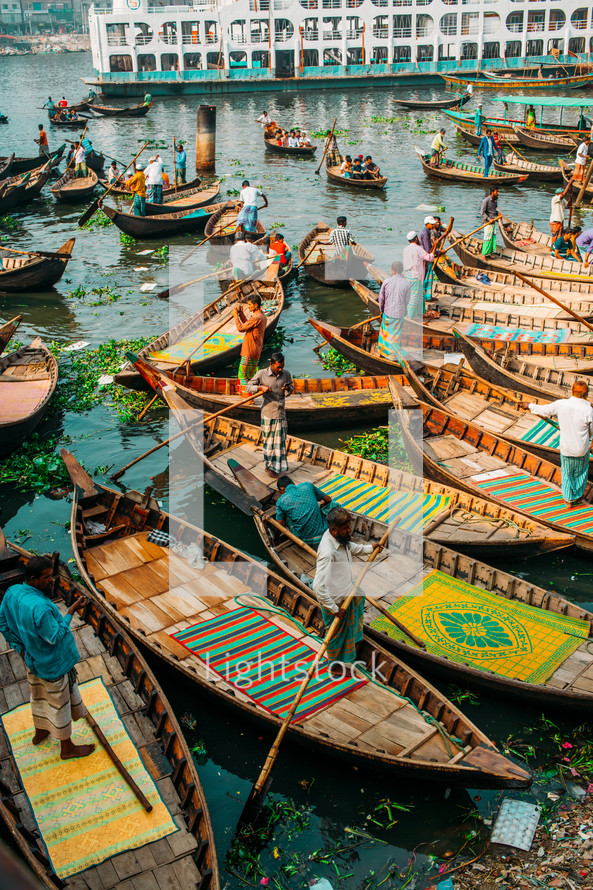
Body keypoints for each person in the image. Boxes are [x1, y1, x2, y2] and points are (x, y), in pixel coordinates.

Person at [0, 556, 94, 760]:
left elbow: (3, 623)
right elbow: (55, 636)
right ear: (33, 578)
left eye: (51, 576)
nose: (52, 580)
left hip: (33, 660)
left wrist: (21, 649)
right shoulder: (41, 608)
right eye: (47, 577)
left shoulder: (12, 591)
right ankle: (67, 748)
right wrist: (71, 611)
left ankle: (41, 730)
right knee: (59, 704)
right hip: (54, 665)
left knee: (38, 696)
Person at [312, 507, 382, 665]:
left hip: (347, 589)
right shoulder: (328, 552)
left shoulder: (339, 538)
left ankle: (354, 642)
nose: (349, 530)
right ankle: (336, 665)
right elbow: (318, 587)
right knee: (336, 636)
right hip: (336, 600)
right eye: (346, 528)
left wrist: (371, 548)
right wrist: (335, 609)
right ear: (333, 529)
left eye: (349, 526)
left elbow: (352, 547)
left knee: (359, 597)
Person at [519, 382, 593, 506]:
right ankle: (578, 497)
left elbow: (544, 409)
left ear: (572, 391)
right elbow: (591, 431)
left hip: (566, 449)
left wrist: (529, 405)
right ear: (585, 394)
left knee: (567, 473)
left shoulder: (561, 404)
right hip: (582, 449)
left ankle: (569, 499)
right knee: (581, 473)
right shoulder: (588, 410)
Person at [247, 353, 294, 478]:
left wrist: (288, 388)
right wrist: (259, 387)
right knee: (269, 441)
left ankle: (278, 466)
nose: (280, 369)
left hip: (281, 413)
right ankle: (269, 466)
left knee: (280, 441)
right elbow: (248, 386)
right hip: (268, 412)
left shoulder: (286, 374)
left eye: (282, 367)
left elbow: (291, 388)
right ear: (271, 364)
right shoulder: (262, 374)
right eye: (278, 367)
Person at [276, 476, 332, 548]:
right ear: (293, 483)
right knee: (323, 505)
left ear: (282, 489)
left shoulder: (280, 501)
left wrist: (276, 538)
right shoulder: (307, 485)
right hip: (325, 534)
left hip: (306, 541)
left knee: (286, 517)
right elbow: (328, 500)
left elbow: (279, 525)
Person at [377, 260, 411, 360]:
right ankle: (392, 355)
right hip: (399, 313)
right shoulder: (407, 283)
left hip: (387, 313)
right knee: (396, 335)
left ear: (392, 270)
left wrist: (381, 310)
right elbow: (407, 300)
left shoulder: (387, 281)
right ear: (401, 270)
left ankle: (383, 353)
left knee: (384, 333)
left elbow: (381, 299)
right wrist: (404, 310)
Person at [233, 290, 267, 389]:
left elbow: (241, 328)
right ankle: (248, 395)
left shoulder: (257, 317)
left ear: (256, 305)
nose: (249, 307)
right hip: (256, 350)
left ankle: (247, 397)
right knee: (249, 376)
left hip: (249, 350)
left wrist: (235, 316)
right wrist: (240, 314)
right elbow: (248, 325)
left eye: (250, 305)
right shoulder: (261, 316)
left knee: (242, 375)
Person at [403, 231, 434, 318]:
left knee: (416, 295)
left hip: (408, 275)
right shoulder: (418, 249)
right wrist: (434, 249)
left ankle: (419, 313)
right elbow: (429, 258)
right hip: (416, 276)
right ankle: (411, 316)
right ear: (416, 238)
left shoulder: (406, 249)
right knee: (414, 296)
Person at [480, 186, 499, 257]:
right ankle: (484, 255)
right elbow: (482, 213)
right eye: (496, 192)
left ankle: (490, 253)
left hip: (493, 222)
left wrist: (497, 213)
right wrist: (489, 219)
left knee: (492, 238)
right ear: (492, 192)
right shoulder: (486, 201)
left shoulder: (495, 201)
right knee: (487, 238)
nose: (498, 193)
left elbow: (493, 211)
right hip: (487, 223)